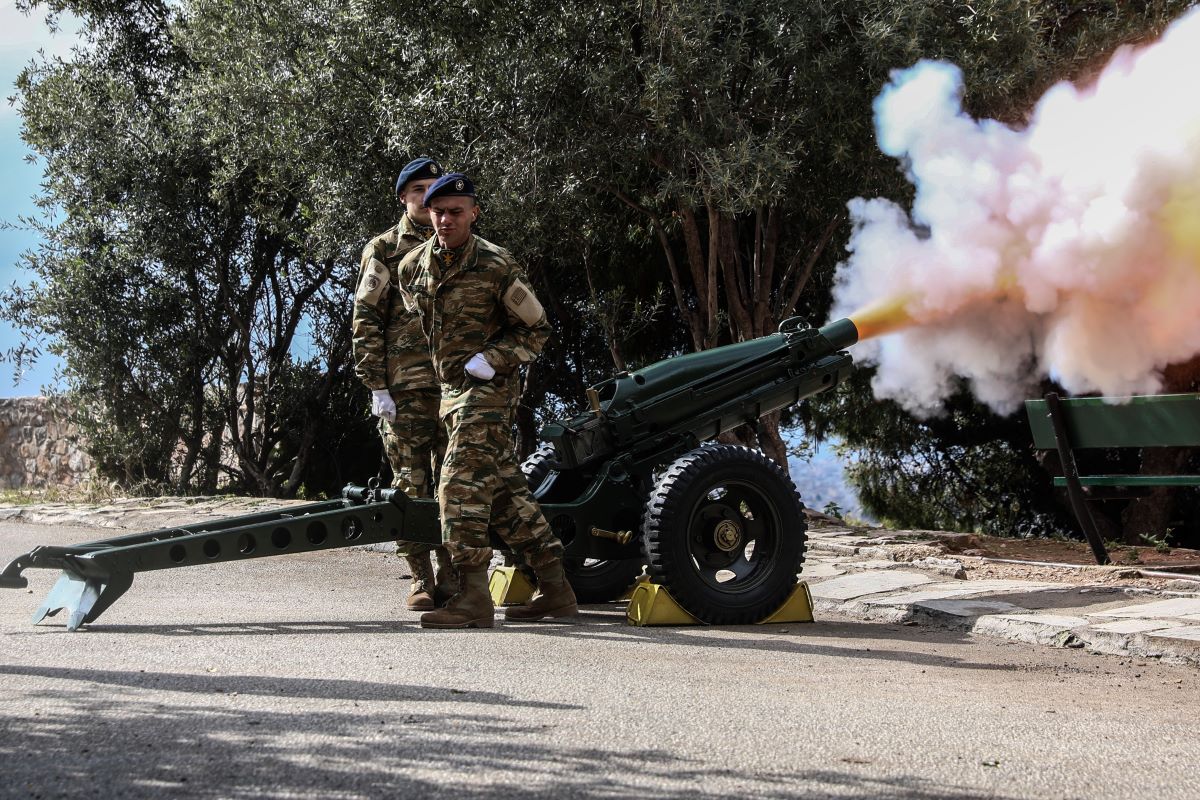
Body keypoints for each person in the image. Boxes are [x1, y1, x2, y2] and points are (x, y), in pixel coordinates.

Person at [398, 172, 577, 629]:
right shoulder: (411, 267)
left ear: (474, 213)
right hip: (449, 395)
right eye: (439, 212)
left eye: (456, 212)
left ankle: (473, 596)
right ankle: (557, 589)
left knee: (457, 484)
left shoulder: (497, 264)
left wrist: (493, 358)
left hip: (489, 393)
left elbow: (537, 328)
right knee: (505, 495)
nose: (446, 220)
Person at [351, 156, 458, 610]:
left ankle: (453, 576)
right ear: (403, 197)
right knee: (411, 486)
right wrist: (376, 385)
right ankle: (420, 579)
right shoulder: (385, 248)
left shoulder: (455, 241)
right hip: (405, 388)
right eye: (418, 190)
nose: (427, 196)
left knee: (453, 483)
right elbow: (366, 317)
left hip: (453, 387)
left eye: (433, 188)